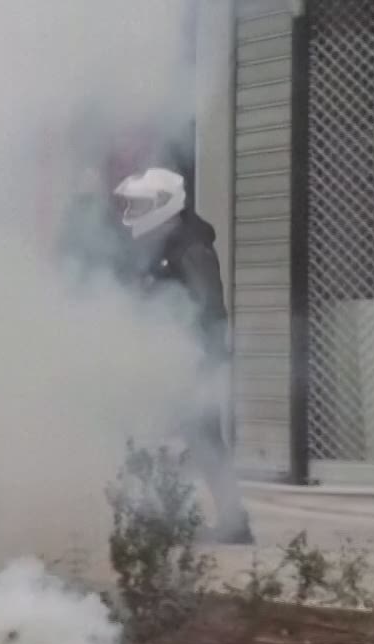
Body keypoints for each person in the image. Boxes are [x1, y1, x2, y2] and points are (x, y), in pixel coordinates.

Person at [112, 166, 255, 544]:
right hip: (171, 359)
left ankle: (224, 524)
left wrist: (201, 358)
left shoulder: (190, 247)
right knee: (187, 439)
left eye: (142, 205)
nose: (135, 212)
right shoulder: (165, 244)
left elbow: (209, 307)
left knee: (198, 441)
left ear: (165, 205)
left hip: (193, 361)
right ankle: (211, 521)